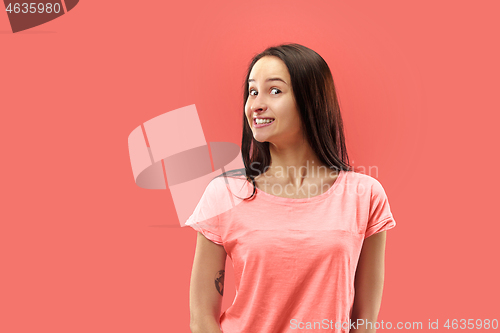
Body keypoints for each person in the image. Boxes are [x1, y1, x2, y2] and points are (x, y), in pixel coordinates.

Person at [186, 43, 396, 333]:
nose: (256, 104)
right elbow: (201, 317)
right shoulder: (224, 194)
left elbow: (364, 321)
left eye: (274, 91)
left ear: (312, 100)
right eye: (252, 91)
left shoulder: (365, 195)